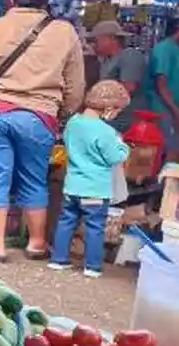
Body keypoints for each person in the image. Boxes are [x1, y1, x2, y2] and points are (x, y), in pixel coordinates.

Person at [0, 0, 85, 263]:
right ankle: (36, 242)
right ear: (47, 1)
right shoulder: (64, 32)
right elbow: (76, 83)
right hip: (39, 116)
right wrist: (65, 112)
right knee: (34, 180)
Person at [50, 80, 131, 277]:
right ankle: (92, 266)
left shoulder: (73, 123)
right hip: (95, 189)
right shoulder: (105, 131)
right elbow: (115, 157)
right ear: (109, 109)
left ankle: (59, 260)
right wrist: (123, 147)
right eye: (117, 111)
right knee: (95, 227)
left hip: (72, 186)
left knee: (66, 222)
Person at [87, 20, 145, 132]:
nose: (94, 44)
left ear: (111, 39)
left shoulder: (130, 56)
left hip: (127, 119)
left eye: (96, 40)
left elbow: (128, 88)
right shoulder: (106, 60)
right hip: (109, 118)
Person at [147, 17, 179, 162]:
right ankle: (164, 183)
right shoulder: (163, 49)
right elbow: (161, 85)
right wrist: (178, 112)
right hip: (163, 108)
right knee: (172, 148)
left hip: (178, 108)